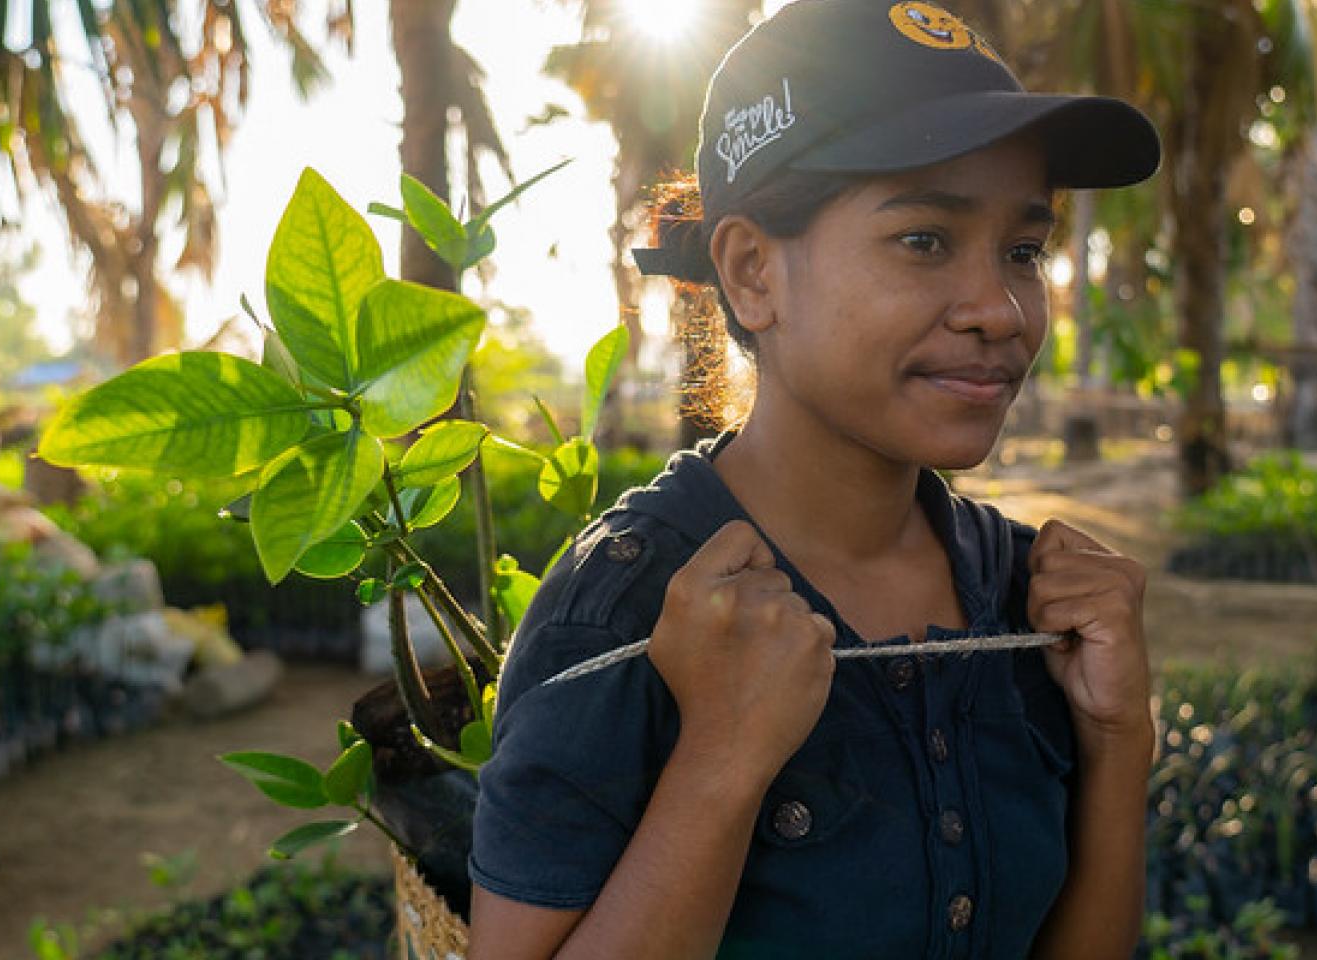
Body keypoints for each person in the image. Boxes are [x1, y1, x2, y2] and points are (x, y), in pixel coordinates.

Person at [468, 2, 1159, 956]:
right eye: (924, 239)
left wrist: (1120, 739)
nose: (1001, 310)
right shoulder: (625, 615)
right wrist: (721, 758)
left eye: (1023, 251)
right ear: (753, 272)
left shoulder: (1028, 597)